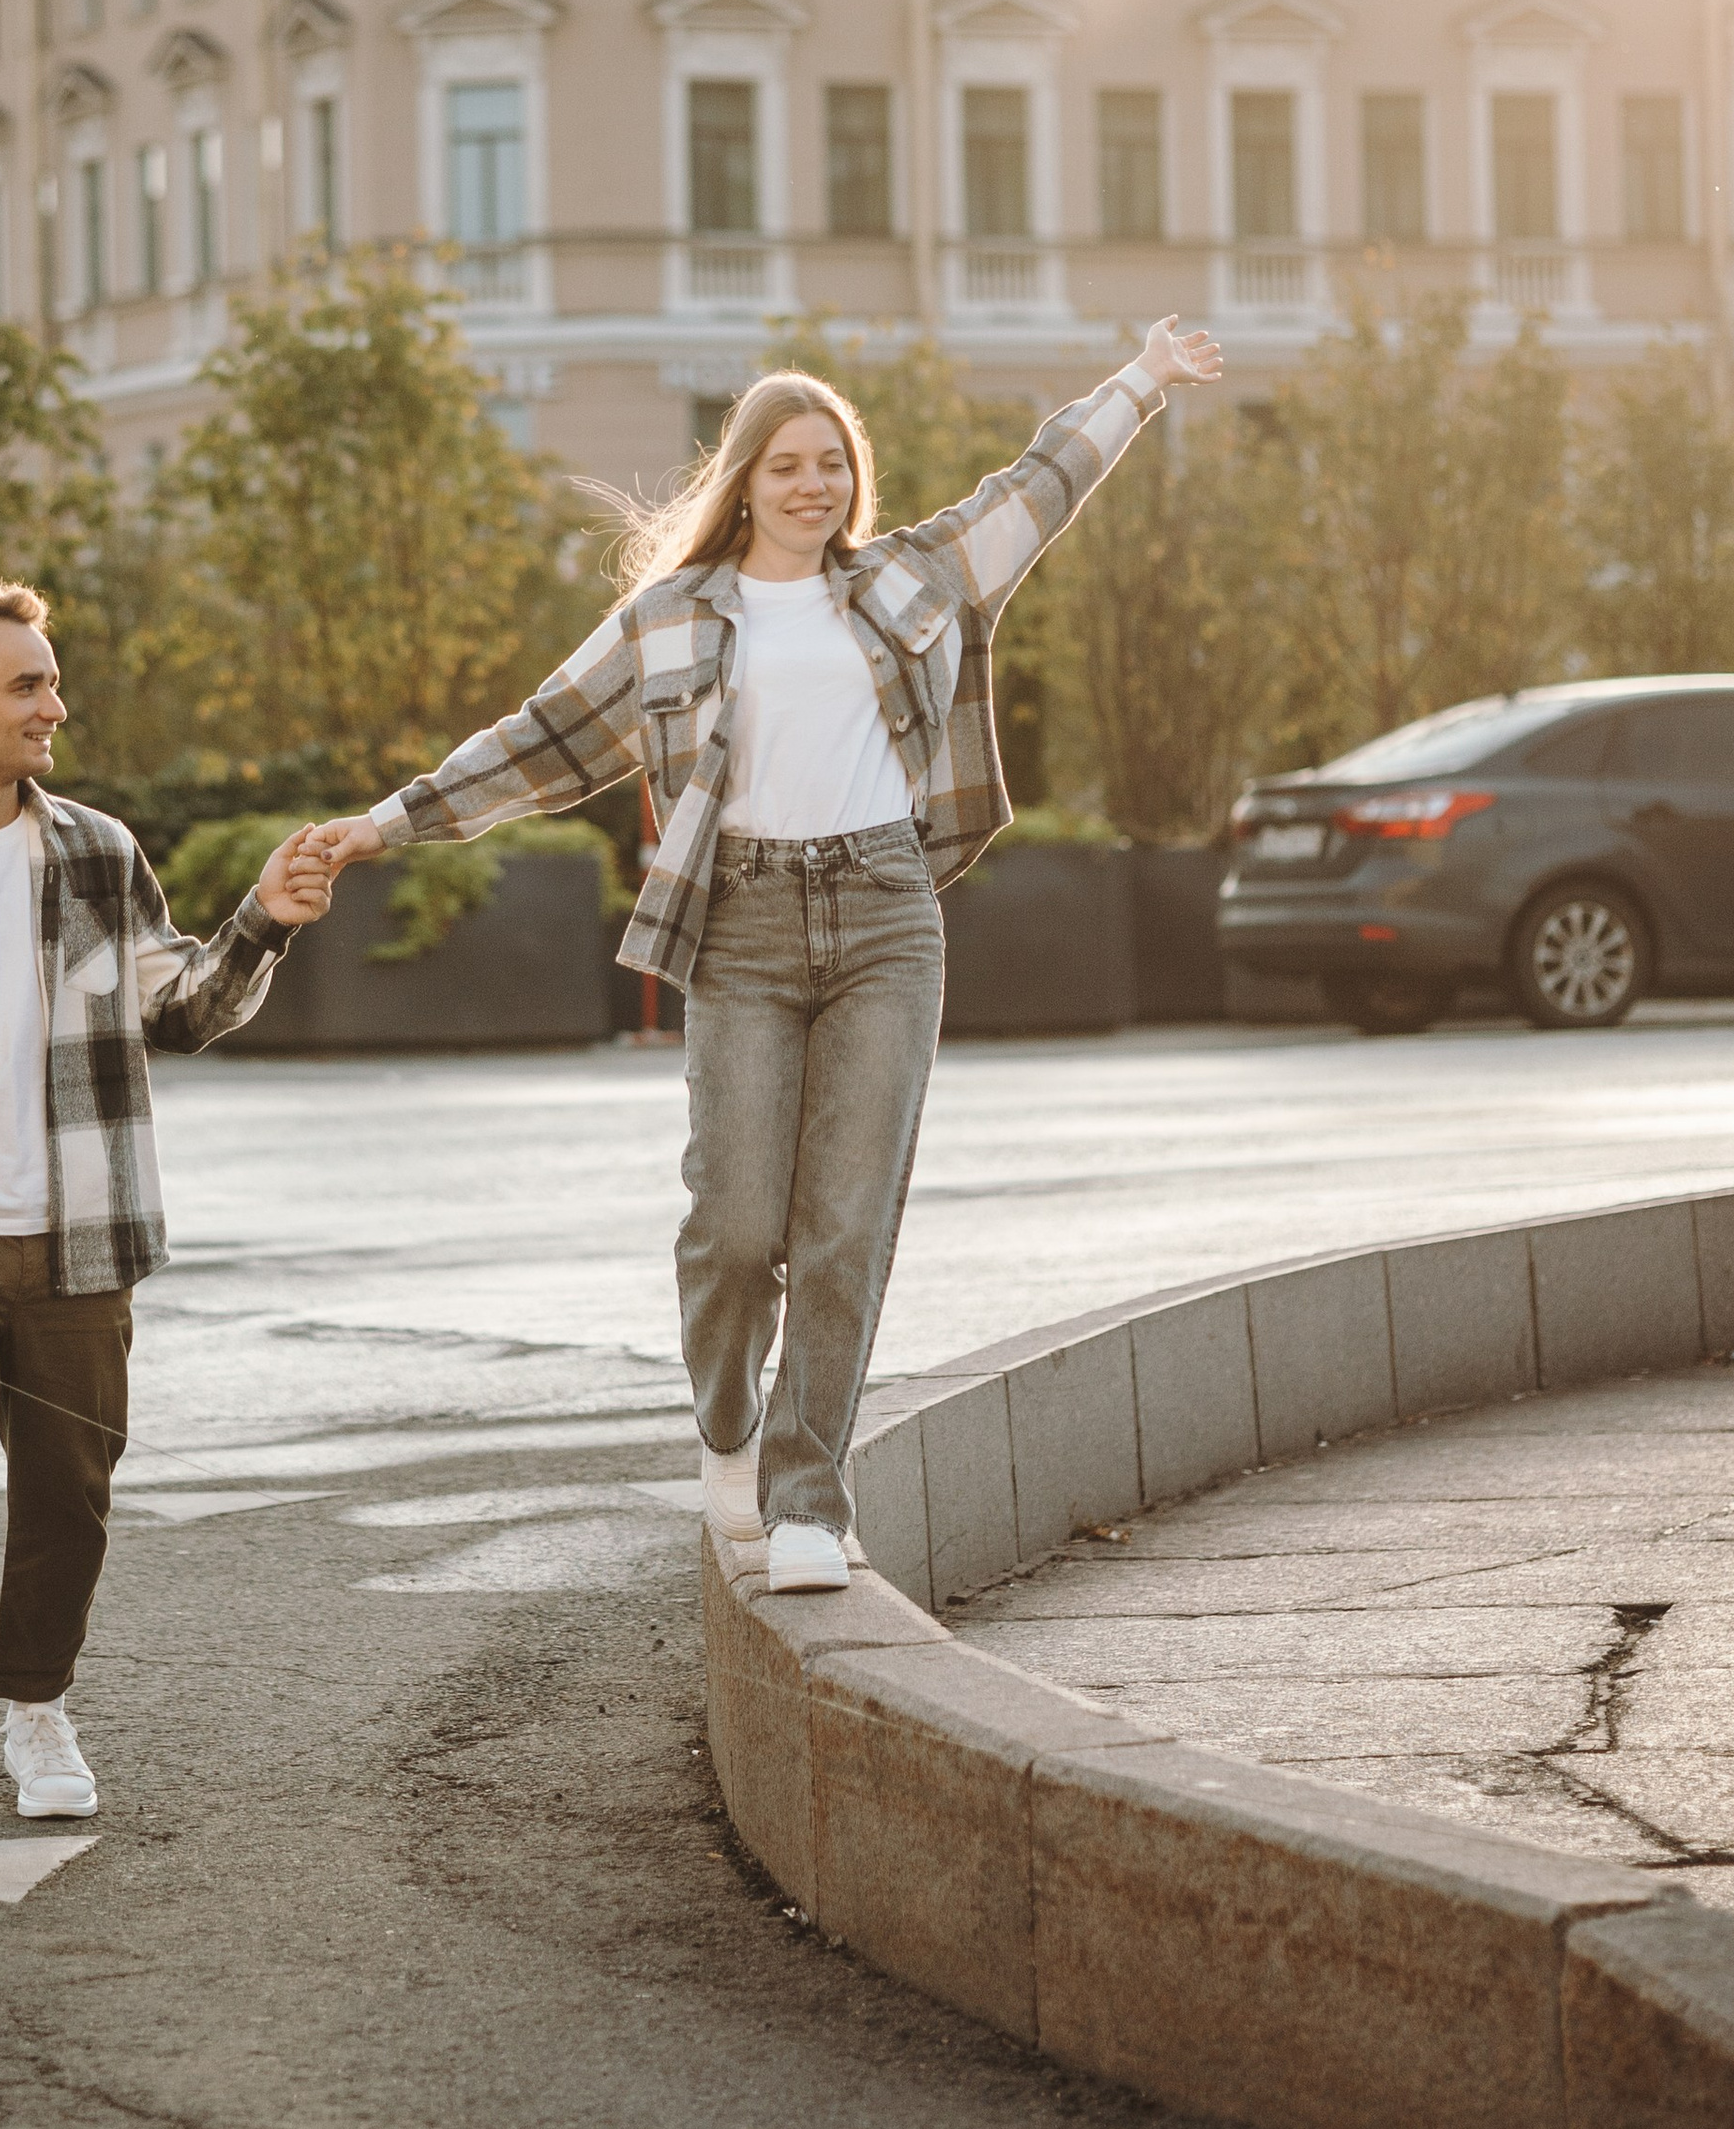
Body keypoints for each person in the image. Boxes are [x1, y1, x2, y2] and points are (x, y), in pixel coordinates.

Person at [306, 319, 1223, 1591]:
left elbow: (1039, 483)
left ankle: (806, 1498)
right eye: (787, 463)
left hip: (886, 915)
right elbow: (539, 741)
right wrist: (384, 825)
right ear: (741, 480)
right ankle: (728, 1428)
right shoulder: (670, 617)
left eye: (832, 462)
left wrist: (1143, 379)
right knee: (737, 1228)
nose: (814, 484)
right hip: (739, 926)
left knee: (846, 1223)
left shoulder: (914, 577)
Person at [0, 582, 332, 1889]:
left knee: (68, 1505)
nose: (55, 705)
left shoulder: (95, 854)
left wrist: (262, 918)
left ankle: (34, 1697)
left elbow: (181, 1008)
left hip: (81, 1240)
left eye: (52, 681)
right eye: (28, 684)